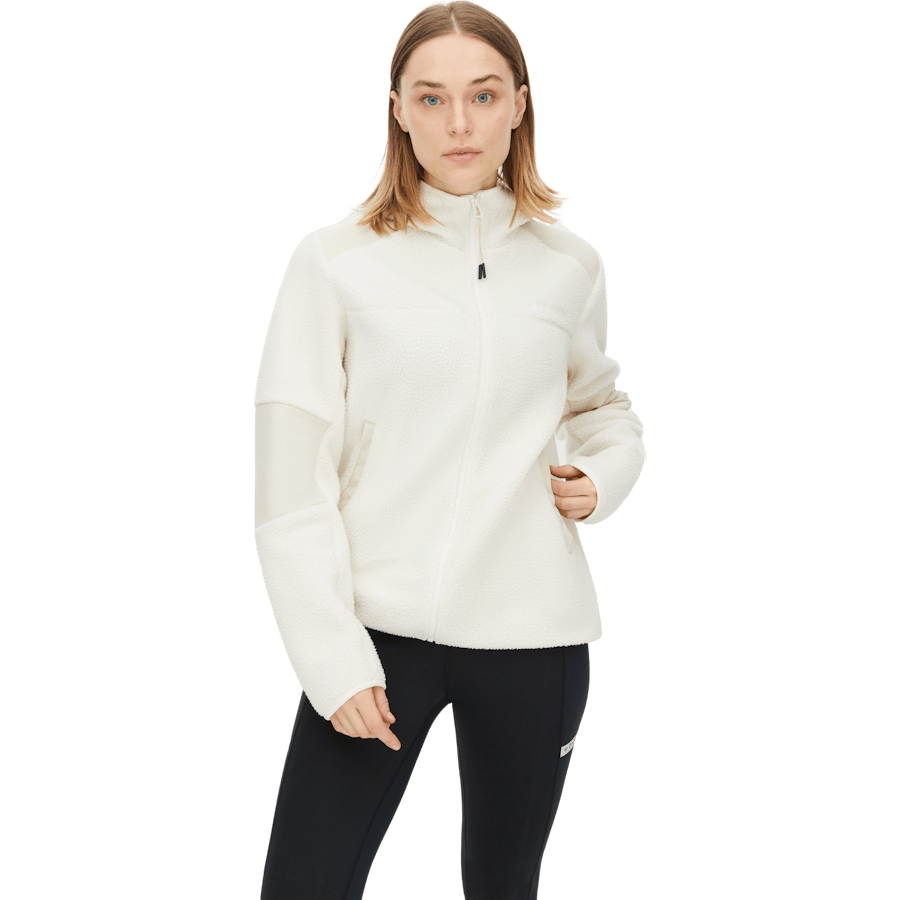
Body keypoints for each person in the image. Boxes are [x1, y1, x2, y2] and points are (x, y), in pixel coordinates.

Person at [253, 3, 647, 897]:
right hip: (376, 632)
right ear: (398, 109)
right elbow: (287, 487)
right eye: (432, 98)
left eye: (483, 95)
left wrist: (600, 475)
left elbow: (604, 407)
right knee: (304, 882)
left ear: (520, 105)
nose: (459, 123)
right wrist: (331, 658)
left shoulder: (570, 265)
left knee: (503, 882)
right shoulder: (333, 261)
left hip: (535, 635)